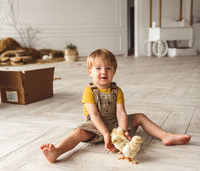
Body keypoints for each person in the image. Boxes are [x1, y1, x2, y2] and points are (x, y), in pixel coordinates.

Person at [41, 48, 191, 163]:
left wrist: (123, 131)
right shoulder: (89, 91)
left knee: (140, 116)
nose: (103, 72)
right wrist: (105, 134)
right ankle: (57, 151)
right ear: (90, 72)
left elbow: (121, 113)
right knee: (79, 132)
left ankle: (166, 136)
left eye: (108, 68)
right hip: (95, 127)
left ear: (114, 71)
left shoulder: (117, 90)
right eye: (98, 68)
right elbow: (94, 115)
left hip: (115, 125)